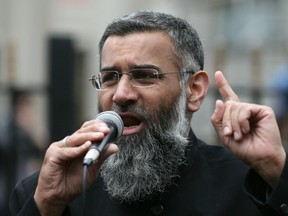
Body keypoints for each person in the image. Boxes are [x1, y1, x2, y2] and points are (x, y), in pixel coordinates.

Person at [10, 11, 288, 216]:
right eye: (109, 77)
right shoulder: (49, 192)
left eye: (144, 75)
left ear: (194, 90)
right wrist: (46, 205)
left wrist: (276, 168)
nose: (120, 94)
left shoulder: (249, 185)